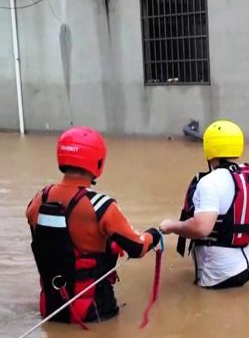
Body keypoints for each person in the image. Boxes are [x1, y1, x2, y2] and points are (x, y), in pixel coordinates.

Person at [26, 126, 161, 324]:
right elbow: (138, 247)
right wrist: (155, 234)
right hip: (95, 312)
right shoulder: (101, 206)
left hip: (50, 308)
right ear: (98, 162)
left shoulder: (40, 198)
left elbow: (49, 241)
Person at [159, 120, 249, 289]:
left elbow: (201, 228)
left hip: (219, 275)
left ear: (208, 148)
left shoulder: (209, 182)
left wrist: (171, 226)